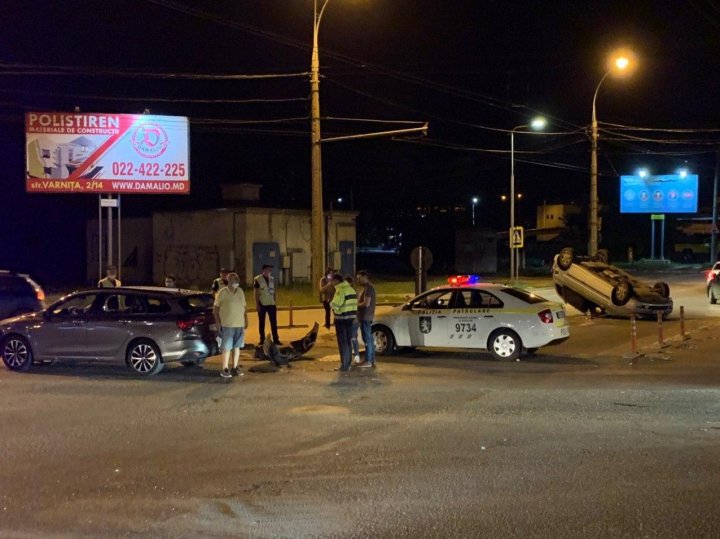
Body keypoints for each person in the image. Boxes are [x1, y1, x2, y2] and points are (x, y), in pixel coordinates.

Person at [213, 272, 248, 379]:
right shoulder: (222, 292)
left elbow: (244, 307)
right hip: (227, 324)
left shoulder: (241, 291)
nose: (235, 282)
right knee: (227, 348)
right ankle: (225, 368)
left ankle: (235, 367)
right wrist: (218, 322)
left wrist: (246, 320)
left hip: (239, 324)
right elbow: (215, 309)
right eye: (233, 280)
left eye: (237, 280)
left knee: (237, 347)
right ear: (228, 281)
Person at [330, 273, 358, 372]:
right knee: (348, 341)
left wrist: (331, 304)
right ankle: (348, 363)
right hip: (351, 319)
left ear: (337, 281)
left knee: (343, 343)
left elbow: (336, 305)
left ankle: (344, 365)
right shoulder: (351, 289)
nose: (332, 283)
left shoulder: (340, 290)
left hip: (341, 319)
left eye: (333, 281)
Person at [254, 264, 280, 345]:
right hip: (262, 304)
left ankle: (276, 339)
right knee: (262, 323)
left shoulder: (271, 279)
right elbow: (256, 293)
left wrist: (275, 302)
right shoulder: (258, 279)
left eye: (270, 270)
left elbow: (273, 291)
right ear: (264, 270)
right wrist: (257, 304)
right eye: (268, 269)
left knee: (274, 323)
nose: (270, 271)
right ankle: (262, 339)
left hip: (271, 304)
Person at [356, 270, 377, 368]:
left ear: (365, 277)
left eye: (359, 278)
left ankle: (368, 360)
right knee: (369, 339)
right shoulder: (367, 288)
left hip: (366, 317)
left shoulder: (369, 288)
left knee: (367, 339)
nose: (358, 280)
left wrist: (355, 306)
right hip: (365, 317)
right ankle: (371, 360)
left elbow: (366, 303)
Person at [345, 276, 361, 364]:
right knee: (349, 337)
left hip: (354, 318)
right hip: (347, 318)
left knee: (353, 337)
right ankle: (350, 355)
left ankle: (357, 355)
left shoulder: (355, 292)